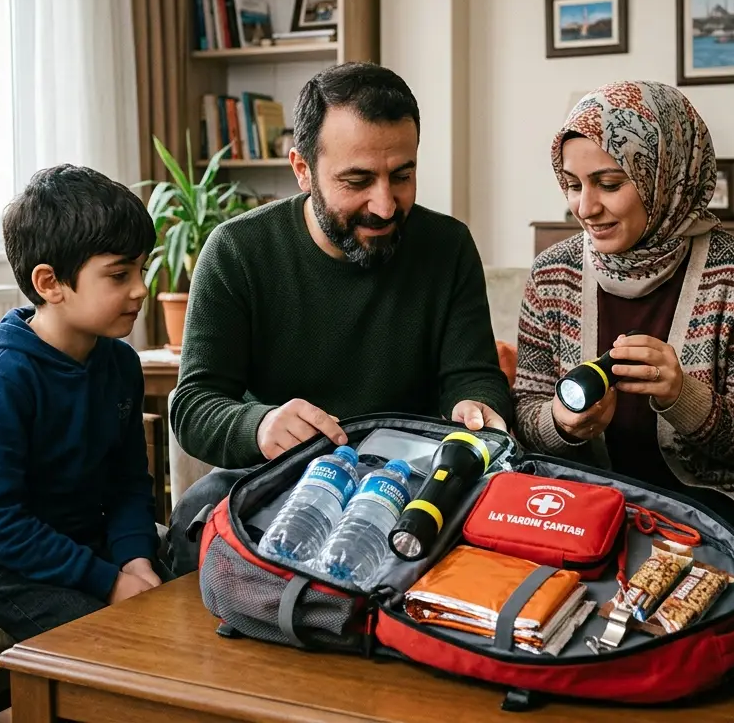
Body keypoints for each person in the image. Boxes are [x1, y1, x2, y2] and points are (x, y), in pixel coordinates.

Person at [165, 62, 512, 574]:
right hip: (286, 483)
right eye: (357, 180)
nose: (386, 205)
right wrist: (260, 425)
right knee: (190, 528)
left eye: (402, 176)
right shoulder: (238, 250)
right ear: (302, 169)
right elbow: (193, 404)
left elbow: (473, 374)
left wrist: (475, 405)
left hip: (411, 487)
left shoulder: (449, 246)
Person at [512, 81, 734, 562]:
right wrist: (561, 422)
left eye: (611, 183)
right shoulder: (552, 274)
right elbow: (525, 413)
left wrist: (685, 398)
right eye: (574, 185)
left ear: (666, 175)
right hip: (585, 496)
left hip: (711, 505)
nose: (585, 208)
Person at [0, 165, 167, 642]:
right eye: (119, 274)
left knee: (191, 592)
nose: (140, 288)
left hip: (76, 538)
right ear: (50, 283)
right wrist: (111, 581)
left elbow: (127, 484)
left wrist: (135, 557)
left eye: (141, 268)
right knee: (115, 639)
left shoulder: (119, 363)